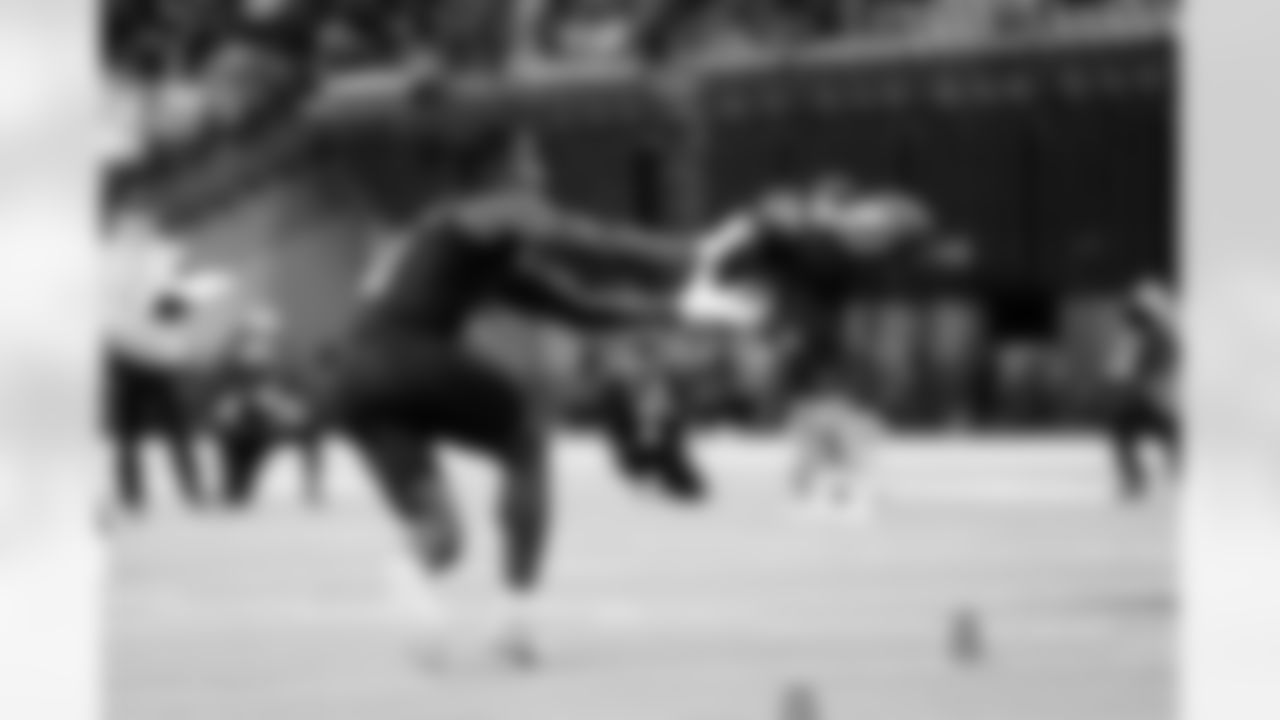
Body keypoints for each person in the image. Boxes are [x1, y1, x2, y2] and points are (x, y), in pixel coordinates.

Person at [102, 210, 208, 517]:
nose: (138, 236)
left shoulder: (163, 259)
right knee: (131, 433)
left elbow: (178, 304)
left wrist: (177, 304)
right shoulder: (110, 262)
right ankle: (135, 496)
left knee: (174, 429)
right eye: (131, 230)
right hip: (130, 355)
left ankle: (192, 491)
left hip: (159, 358)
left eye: (142, 230)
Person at [1106, 278, 1179, 502]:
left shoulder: (1154, 335)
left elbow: (1158, 365)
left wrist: (1153, 386)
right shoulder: (1143, 335)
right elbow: (1122, 368)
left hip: (1148, 395)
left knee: (1163, 433)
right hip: (1140, 396)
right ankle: (1135, 480)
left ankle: (1137, 480)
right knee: (1129, 433)